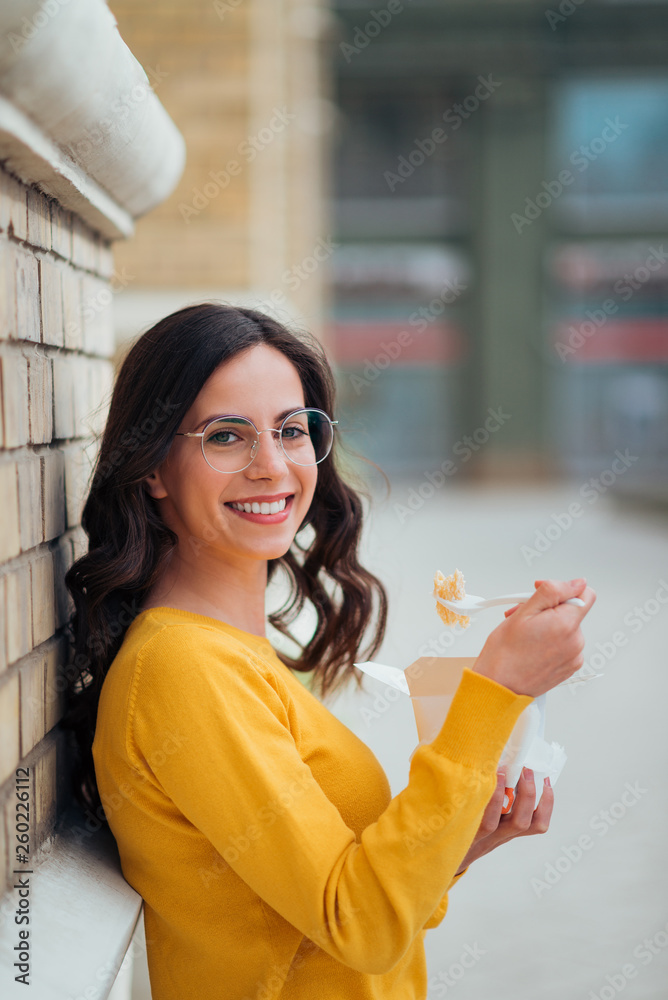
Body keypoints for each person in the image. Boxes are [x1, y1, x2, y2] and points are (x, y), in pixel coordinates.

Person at [63, 302, 595, 1000]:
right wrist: (493, 689)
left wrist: (460, 841)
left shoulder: (237, 654)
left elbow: (339, 907)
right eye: (226, 436)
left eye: (291, 430)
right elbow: (361, 924)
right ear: (153, 466)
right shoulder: (183, 669)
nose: (271, 465)